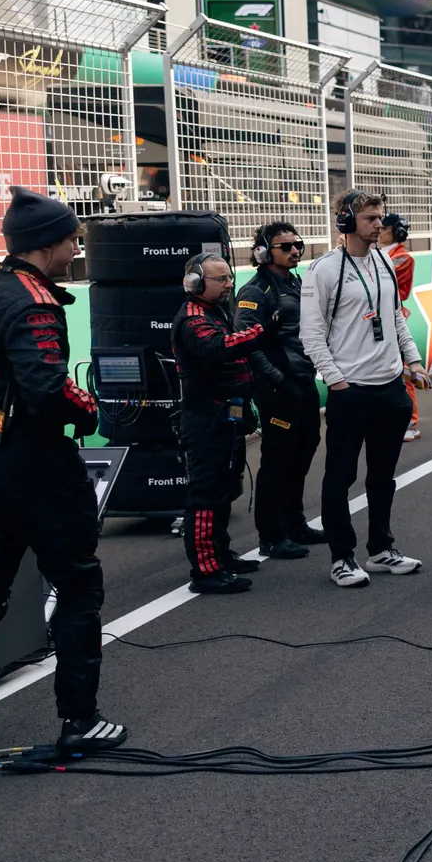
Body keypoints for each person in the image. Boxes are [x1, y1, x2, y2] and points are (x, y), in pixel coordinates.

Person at [0, 187, 126, 751]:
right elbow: (45, 389)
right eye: (73, 238)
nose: (77, 248)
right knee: (77, 586)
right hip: (39, 465)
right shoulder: (33, 300)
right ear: (47, 244)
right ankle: (81, 720)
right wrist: (89, 407)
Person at [302, 191, 430, 588]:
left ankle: (380, 550)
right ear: (346, 221)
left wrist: (412, 362)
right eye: (371, 218)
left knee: (383, 476)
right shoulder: (323, 270)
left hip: (390, 387)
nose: (379, 224)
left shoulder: (383, 262)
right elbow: (311, 334)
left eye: (380, 217)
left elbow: (394, 317)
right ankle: (342, 557)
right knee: (339, 477)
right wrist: (335, 380)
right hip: (350, 391)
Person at [174, 254, 265, 594]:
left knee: (225, 489)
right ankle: (205, 570)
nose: (229, 284)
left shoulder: (216, 312)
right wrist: (260, 330)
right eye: (221, 279)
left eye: (229, 277)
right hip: (205, 420)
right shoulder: (193, 317)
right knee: (206, 494)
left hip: (228, 415)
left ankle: (222, 555)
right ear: (196, 283)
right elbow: (216, 348)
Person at [237, 222, 325, 560]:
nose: (293, 251)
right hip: (276, 387)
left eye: (296, 245)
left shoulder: (296, 282)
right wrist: (275, 378)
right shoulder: (255, 291)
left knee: (304, 449)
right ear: (262, 252)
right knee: (277, 458)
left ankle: (295, 523)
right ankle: (271, 536)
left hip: (301, 381)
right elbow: (246, 344)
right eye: (284, 246)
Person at [380, 211, 420, 440]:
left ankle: (410, 422)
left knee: (404, 371)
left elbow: (382, 275)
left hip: (393, 319)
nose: (379, 230)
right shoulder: (377, 253)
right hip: (376, 320)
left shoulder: (403, 257)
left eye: (383, 227)